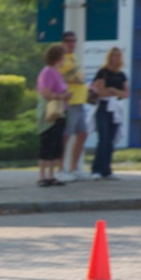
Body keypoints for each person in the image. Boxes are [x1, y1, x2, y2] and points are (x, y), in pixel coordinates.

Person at [90, 46, 128, 181]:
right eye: (114, 56)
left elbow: (125, 93)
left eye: (118, 56)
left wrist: (113, 90)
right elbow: (100, 92)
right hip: (104, 107)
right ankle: (96, 169)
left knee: (111, 140)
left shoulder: (121, 75)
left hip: (116, 107)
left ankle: (107, 169)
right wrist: (113, 92)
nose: (116, 58)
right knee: (103, 138)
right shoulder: (103, 72)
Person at [36, 43, 71, 187]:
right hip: (50, 113)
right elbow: (45, 92)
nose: (64, 60)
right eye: (63, 57)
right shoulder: (48, 72)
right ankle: (43, 176)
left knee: (56, 145)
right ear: (57, 58)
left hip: (60, 113)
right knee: (47, 143)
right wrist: (61, 97)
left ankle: (51, 175)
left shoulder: (57, 73)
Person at [57, 31, 89, 181]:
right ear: (63, 42)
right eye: (68, 41)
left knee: (82, 134)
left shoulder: (74, 57)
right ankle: (60, 169)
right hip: (68, 103)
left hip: (80, 101)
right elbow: (57, 77)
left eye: (73, 40)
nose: (71, 43)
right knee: (65, 137)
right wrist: (73, 78)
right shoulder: (60, 58)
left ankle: (73, 168)